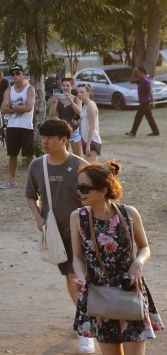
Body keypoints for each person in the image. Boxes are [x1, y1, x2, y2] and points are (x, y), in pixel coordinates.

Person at [70, 161, 163, 353]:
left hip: (130, 291)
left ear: (103, 190)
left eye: (84, 187)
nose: (79, 192)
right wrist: (79, 276)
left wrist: (138, 263)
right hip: (100, 297)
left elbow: (145, 247)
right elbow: (77, 257)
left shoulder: (129, 214)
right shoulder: (77, 217)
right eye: (78, 186)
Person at [24, 119, 89, 352]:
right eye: (43, 137)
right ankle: (86, 319)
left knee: (76, 274)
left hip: (81, 231)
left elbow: (93, 199)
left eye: (51, 137)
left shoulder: (81, 166)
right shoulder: (36, 166)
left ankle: (86, 325)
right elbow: (30, 195)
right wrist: (38, 218)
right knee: (72, 275)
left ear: (65, 140)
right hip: (56, 233)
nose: (45, 141)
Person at [0, 64, 35, 189]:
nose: (15, 76)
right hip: (12, 127)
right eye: (13, 74)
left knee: (30, 155)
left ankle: (35, 182)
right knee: (12, 154)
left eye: (18, 73)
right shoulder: (9, 90)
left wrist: (12, 107)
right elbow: (3, 108)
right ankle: (12, 181)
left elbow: (29, 107)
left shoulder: (29, 90)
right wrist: (19, 108)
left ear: (23, 74)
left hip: (26, 127)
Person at [49, 77, 83, 157]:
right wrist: (54, 102)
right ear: (61, 87)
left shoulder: (76, 99)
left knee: (77, 156)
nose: (65, 87)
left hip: (74, 130)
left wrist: (71, 101)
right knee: (63, 155)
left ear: (72, 86)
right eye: (63, 85)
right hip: (62, 130)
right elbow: (51, 114)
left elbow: (80, 112)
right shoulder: (58, 99)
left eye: (67, 85)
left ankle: (78, 169)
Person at [126, 66, 160, 137]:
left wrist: (153, 103)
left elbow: (150, 93)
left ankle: (133, 132)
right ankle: (156, 131)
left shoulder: (146, 81)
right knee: (149, 118)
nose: (137, 73)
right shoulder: (140, 80)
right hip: (143, 102)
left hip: (145, 103)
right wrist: (133, 72)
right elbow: (131, 81)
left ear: (142, 72)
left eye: (138, 72)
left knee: (138, 117)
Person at [77, 85, 102, 164]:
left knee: (88, 168)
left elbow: (92, 126)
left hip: (92, 141)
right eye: (78, 92)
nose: (79, 94)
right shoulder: (85, 105)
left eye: (82, 92)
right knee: (94, 168)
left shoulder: (91, 106)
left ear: (88, 92)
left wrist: (88, 145)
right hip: (86, 140)